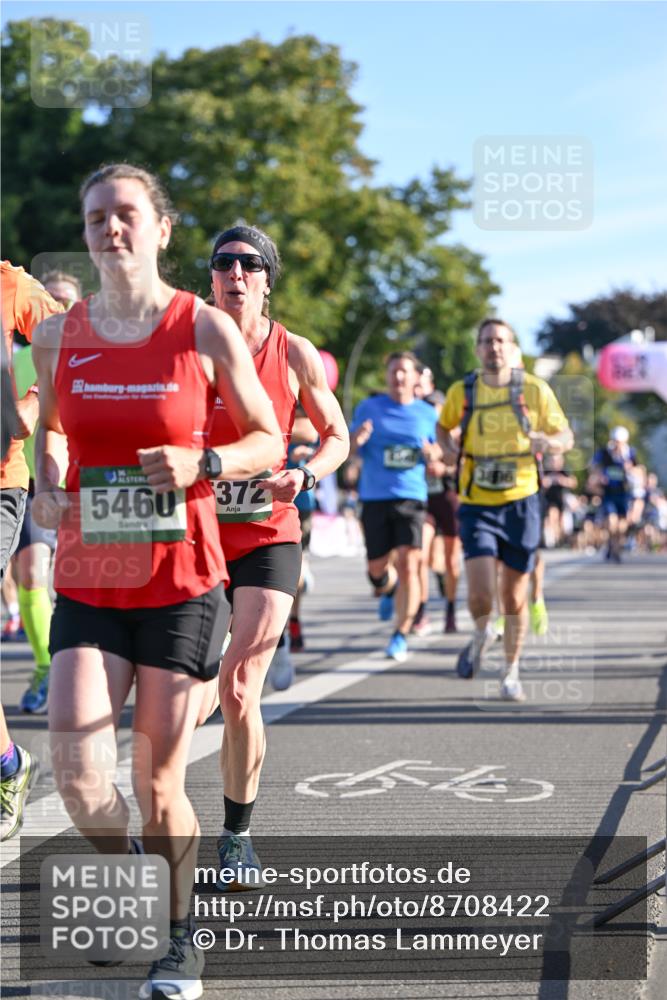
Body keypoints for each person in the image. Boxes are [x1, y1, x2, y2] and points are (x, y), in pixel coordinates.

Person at [31, 166, 282, 1000]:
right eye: (97, 215)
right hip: (93, 569)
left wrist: (201, 461)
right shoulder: (58, 334)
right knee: (76, 776)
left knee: (157, 782)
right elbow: (53, 434)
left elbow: (267, 439)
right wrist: (49, 474)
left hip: (179, 579)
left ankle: (179, 938)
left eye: (127, 214)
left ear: (160, 229)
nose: (111, 228)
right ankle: (140, 875)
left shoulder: (202, 325)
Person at [206, 224, 349, 885]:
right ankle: (159, 813)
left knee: (238, 689)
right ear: (211, 277)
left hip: (268, 533)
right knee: (184, 694)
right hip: (193, 535)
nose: (235, 272)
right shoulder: (187, 339)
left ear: (267, 279)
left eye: (249, 263)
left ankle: (237, 834)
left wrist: (307, 474)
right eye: (223, 263)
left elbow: (336, 435)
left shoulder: (293, 350)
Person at [437, 318, 573, 702]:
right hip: (477, 502)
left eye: (501, 340)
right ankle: (482, 631)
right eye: (486, 341)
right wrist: (447, 449)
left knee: (514, 599)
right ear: (478, 349)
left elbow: (566, 436)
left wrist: (547, 439)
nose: (494, 347)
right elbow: (444, 428)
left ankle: (510, 671)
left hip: (521, 502)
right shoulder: (462, 391)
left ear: (512, 348)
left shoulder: (534, 390)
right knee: (481, 594)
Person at [1, 261, 63, 841]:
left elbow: (71, 342)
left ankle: (4, 771)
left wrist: (35, 399)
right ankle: (10, 764)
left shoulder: (11, 285)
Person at [11, 272, 83, 713]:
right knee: (33, 573)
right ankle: (45, 666)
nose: (54, 309)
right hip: (34, 485)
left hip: (88, 487)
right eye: (49, 300)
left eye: (65, 303)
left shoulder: (97, 354)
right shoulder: (19, 360)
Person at [350, 351, 439, 661]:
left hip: (412, 497)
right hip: (374, 497)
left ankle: (400, 633)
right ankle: (386, 589)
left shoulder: (428, 414)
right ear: (387, 375)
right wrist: (356, 441)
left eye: (404, 371)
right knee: (377, 568)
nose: (398, 377)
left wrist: (433, 456)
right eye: (393, 371)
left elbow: (441, 456)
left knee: (410, 564)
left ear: (416, 378)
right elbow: (346, 450)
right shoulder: (369, 408)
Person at [414, 365, 461, 634]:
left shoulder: (446, 421)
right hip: (423, 496)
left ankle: (451, 608)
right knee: (420, 556)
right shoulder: (411, 419)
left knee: (451, 560)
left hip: (448, 494)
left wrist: (444, 467)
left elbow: (461, 461)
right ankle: (421, 611)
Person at [590, 426, 637, 562]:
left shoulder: (629, 453)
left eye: (620, 442)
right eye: (616, 441)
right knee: (611, 523)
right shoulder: (604, 453)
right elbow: (594, 466)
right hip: (609, 494)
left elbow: (638, 469)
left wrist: (629, 468)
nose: (617, 444)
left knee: (621, 526)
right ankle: (612, 547)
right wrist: (598, 476)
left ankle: (615, 547)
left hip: (623, 494)